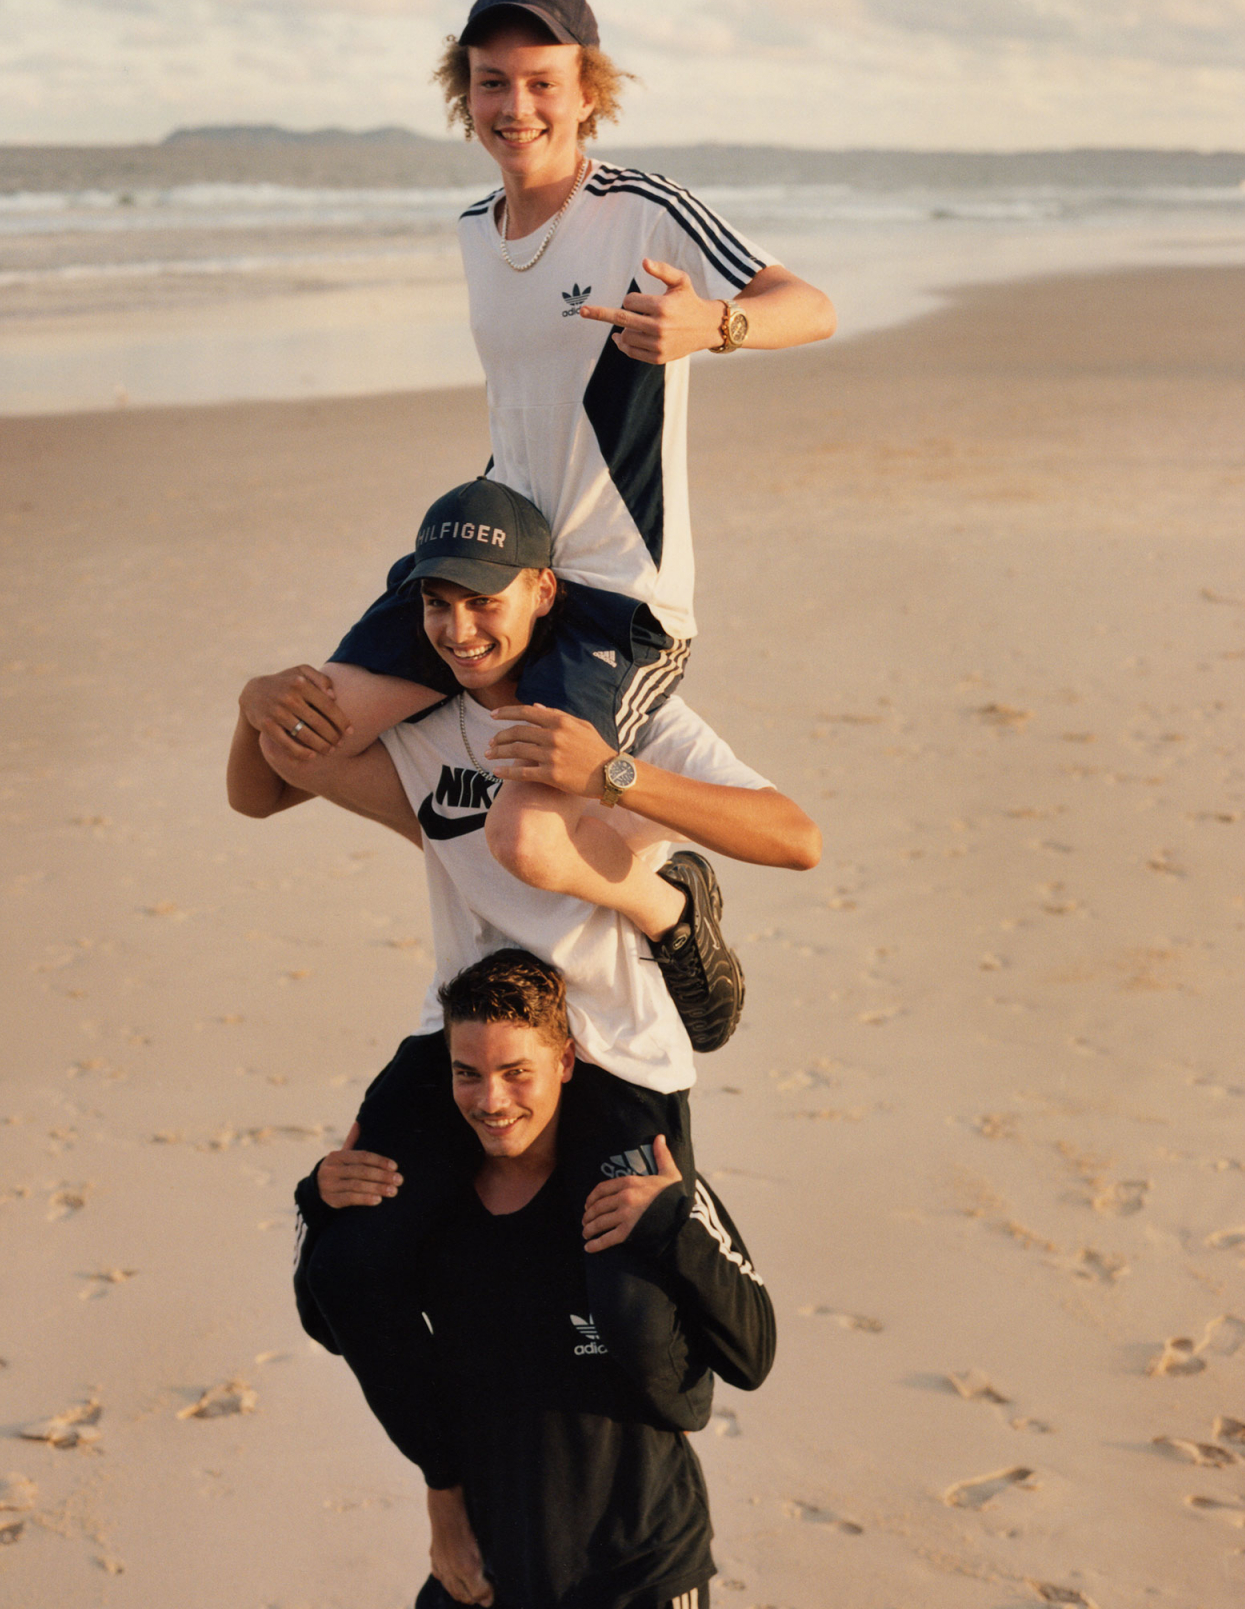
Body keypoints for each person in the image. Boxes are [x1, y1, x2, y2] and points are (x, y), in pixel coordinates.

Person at [228, 481, 818, 1484]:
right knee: (345, 1268)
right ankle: (452, 1482)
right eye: (435, 604)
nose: (457, 629)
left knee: (642, 1332)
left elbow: (796, 837)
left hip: (614, 1044)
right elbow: (257, 794)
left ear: (541, 592)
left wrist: (614, 776)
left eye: (482, 602)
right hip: (471, 1043)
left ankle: (673, 906)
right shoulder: (415, 723)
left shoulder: (612, 707)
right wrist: (253, 703)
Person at [237, 0, 834, 930]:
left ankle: (668, 913)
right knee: (301, 736)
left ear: (588, 91)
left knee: (527, 838)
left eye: (542, 82)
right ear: (463, 94)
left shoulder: (644, 206)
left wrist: (711, 325)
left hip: (616, 588)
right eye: (491, 82)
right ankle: (465, 878)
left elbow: (811, 307)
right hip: (499, 562)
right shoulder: (478, 229)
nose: (516, 106)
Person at [303, 948, 774, 1609]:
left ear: (566, 1061)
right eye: (468, 1073)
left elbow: (753, 1349)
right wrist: (319, 1199)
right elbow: (344, 1322)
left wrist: (676, 1220)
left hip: (633, 1558)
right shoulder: (432, 1201)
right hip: (488, 1540)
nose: (491, 1100)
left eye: (517, 1071)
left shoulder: (638, 1186)